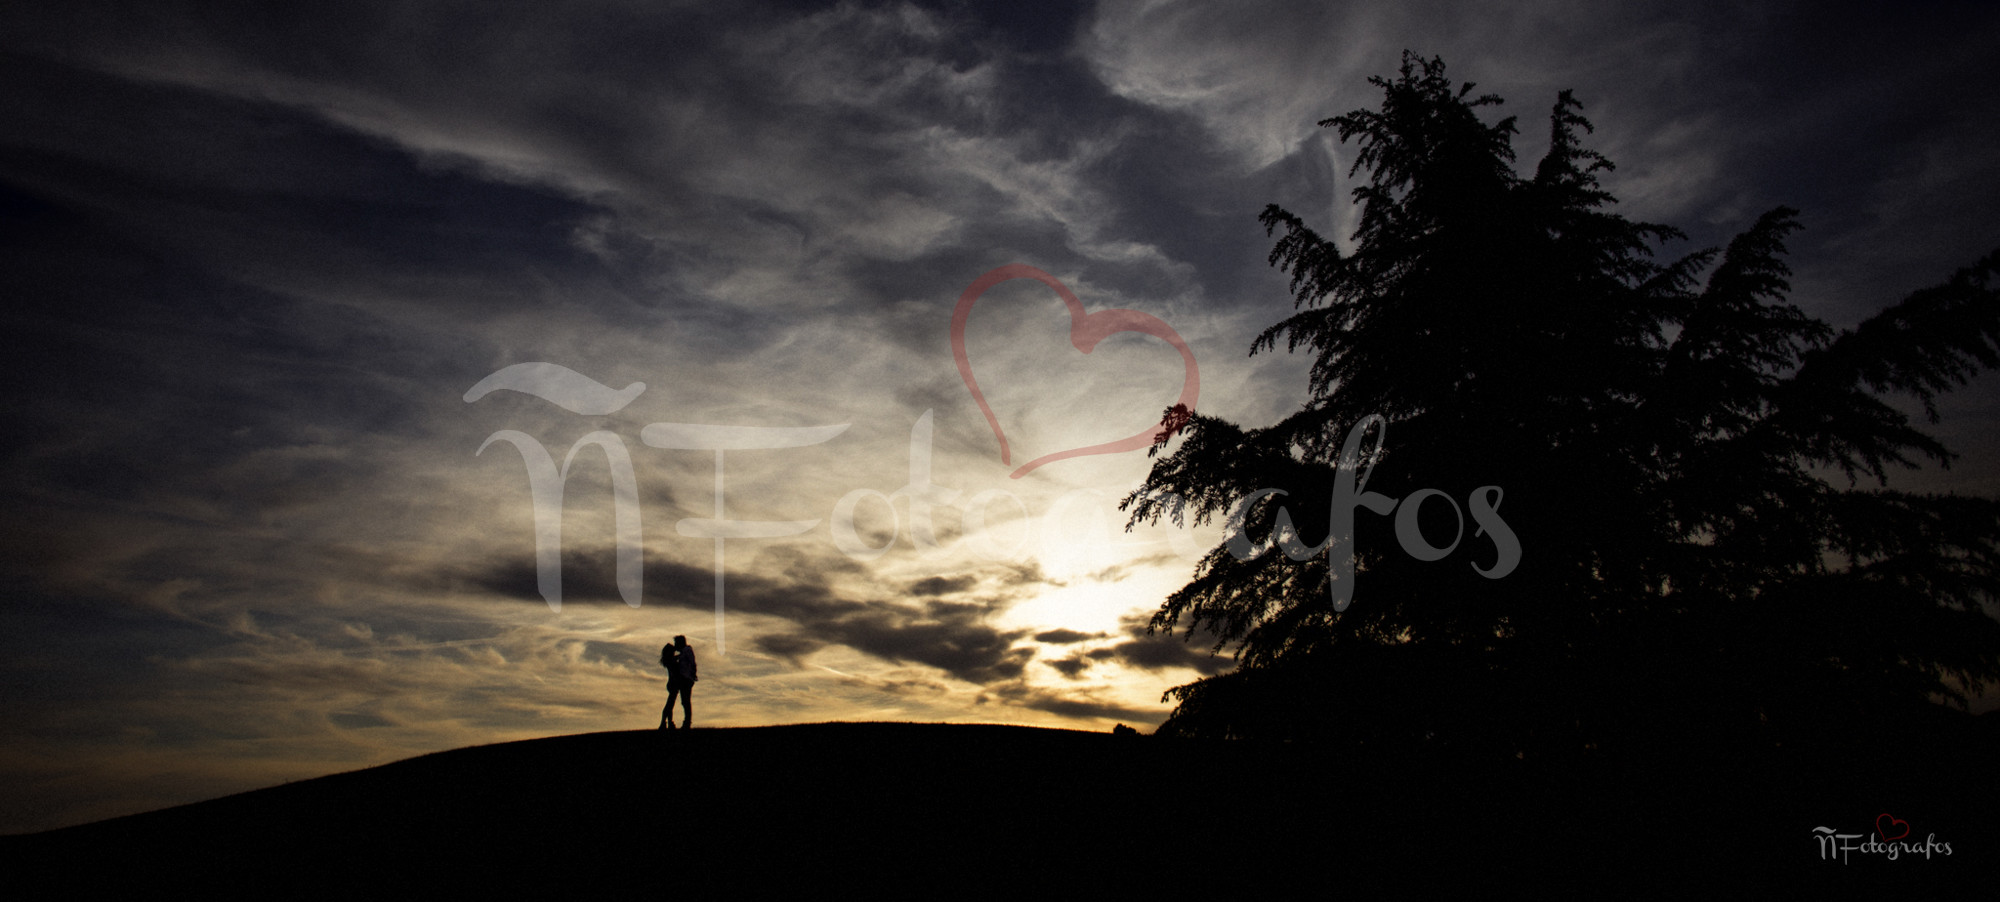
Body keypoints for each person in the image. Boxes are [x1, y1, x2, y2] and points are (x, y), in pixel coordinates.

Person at [660, 634, 697, 729]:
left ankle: (668, 723)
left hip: (675, 683)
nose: (675, 647)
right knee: (672, 704)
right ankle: (666, 723)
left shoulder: (677, 656)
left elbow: (684, 660)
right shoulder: (673, 659)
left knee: (672, 703)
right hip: (674, 683)